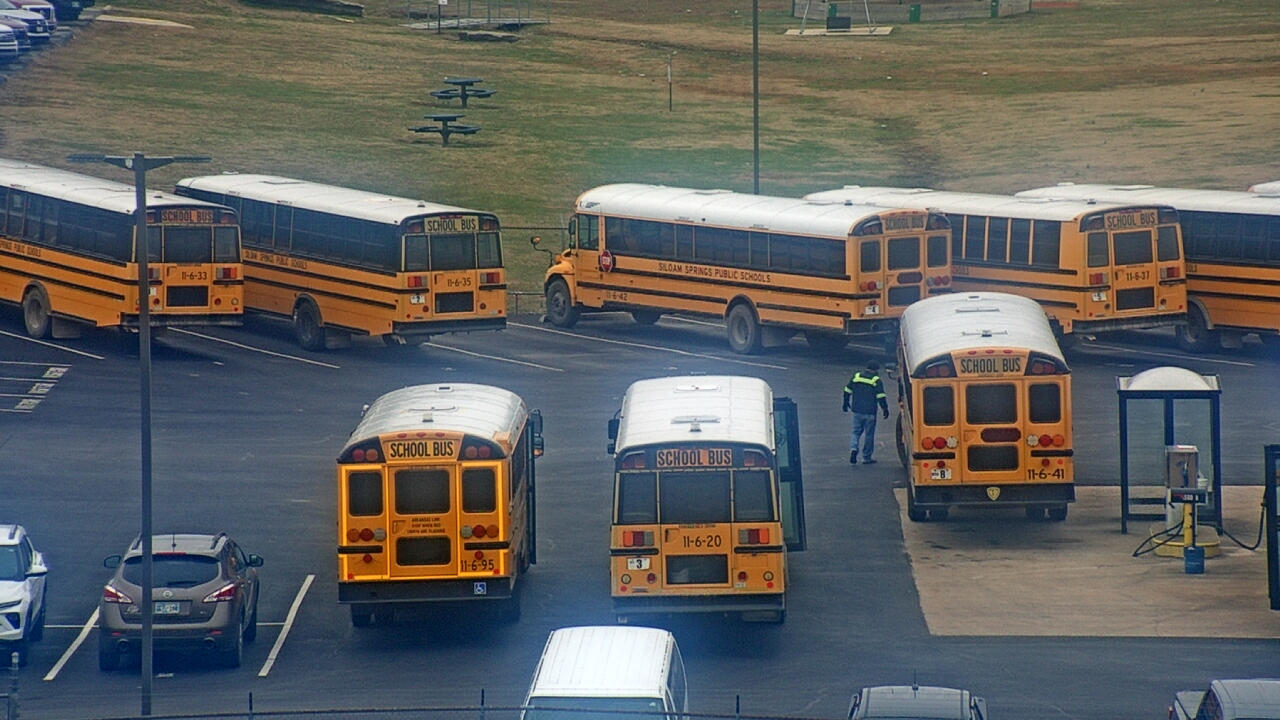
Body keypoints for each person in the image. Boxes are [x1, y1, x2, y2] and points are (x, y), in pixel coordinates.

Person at [842, 360, 889, 465]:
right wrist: (885, 409)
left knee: (855, 432)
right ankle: (866, 457)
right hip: (870, 412)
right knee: (869, 435)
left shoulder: (857, 376)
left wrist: (845, 403)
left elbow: (847, 390)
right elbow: (881, 396)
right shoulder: (876, 380)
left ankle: (854, 448)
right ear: (876, 369)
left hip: (857, 410)